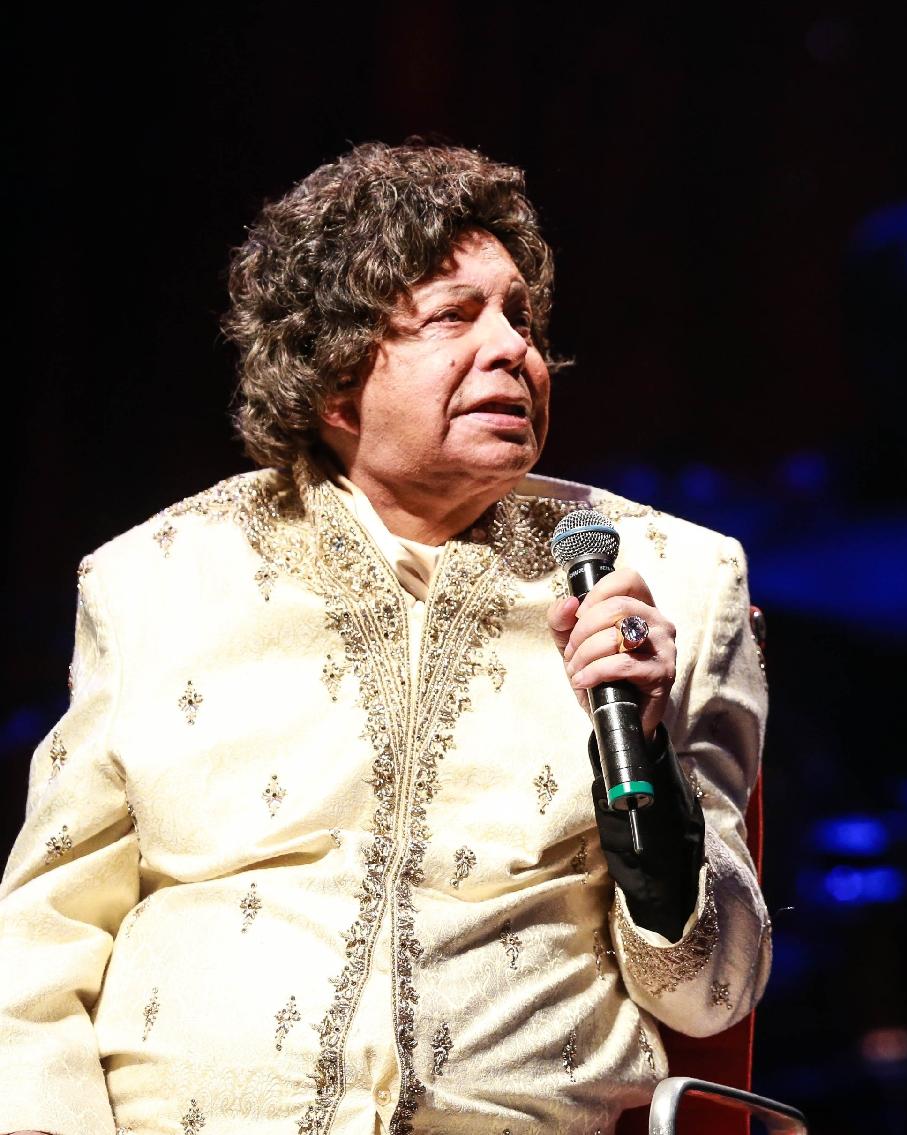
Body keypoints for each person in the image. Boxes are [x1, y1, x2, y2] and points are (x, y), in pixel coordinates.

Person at [0, 143, 770, 1133]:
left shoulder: (671, 581)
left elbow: (714, 991)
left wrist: (645, 757)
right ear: (332, 376)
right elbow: (40, 942)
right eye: (456, 315)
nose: (513, 350)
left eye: (521, 318)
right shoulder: (158, 580)